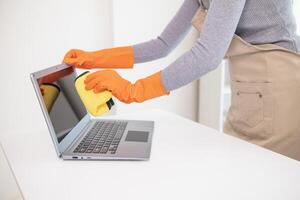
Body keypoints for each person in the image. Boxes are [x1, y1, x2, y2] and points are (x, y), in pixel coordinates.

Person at [63, 0, 300, 160]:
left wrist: (135, 90)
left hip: (278, 87)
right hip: (248, 90)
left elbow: (208, 55)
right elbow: (163, 44)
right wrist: (93, 59)